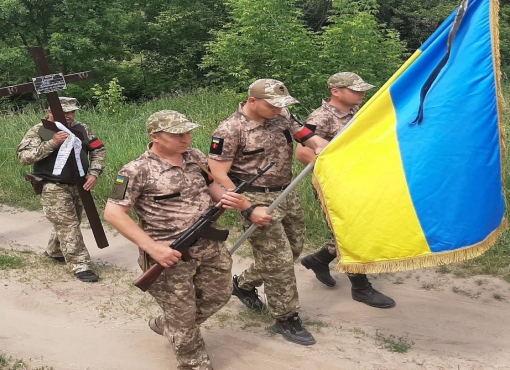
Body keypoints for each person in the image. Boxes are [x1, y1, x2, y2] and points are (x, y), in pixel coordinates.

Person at [104, 110, 249, 370]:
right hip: (169, 254)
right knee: (182, 318)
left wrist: (228, 197)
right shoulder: (135, 170)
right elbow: (113, 213)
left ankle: (167, 324)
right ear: (155, 137)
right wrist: (152, 248)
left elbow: (211, 187)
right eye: (177, 134)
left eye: (188, 132)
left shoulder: (195, 157)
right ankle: (193, 362)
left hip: (209, 244)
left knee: (220, 295)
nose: (186, 138)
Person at [207, 79, 327, 346]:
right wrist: (247, 208)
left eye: (280, 105)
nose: (277, 109)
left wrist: (321, 145)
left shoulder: (281, 116)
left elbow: (306, 135)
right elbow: (217, 173)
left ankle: (244, 284)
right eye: (272, 104)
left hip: (287, 191)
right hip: (253, 196)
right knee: (280, 260)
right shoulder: (230, 129)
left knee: (294, 248)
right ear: (252, 101)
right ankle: (286, 316)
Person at [298, 72, 396, 308]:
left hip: (358, 183)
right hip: (334, 187)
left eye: (362, 89)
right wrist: (334, 175)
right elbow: (302, 153)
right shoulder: (320, 118)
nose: (362, 93)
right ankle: (361, 288)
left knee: (359, 230)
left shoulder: (356, 112)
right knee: (350, 234)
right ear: (336, 91)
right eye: (356, 90)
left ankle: (319, 259)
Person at [17, 97, 105, 282]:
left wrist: (94, 172)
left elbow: (98, 148)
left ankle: (55, 251)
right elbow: (25, 157)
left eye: (72, 112)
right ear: (51, 112)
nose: (70, 116)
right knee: (68, 225)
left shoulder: (81, 128)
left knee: (72, 222)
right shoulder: (40, 130)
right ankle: (81, 265)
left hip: (79, 184)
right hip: (53, 185)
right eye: (65, 113)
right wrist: (52, 143)